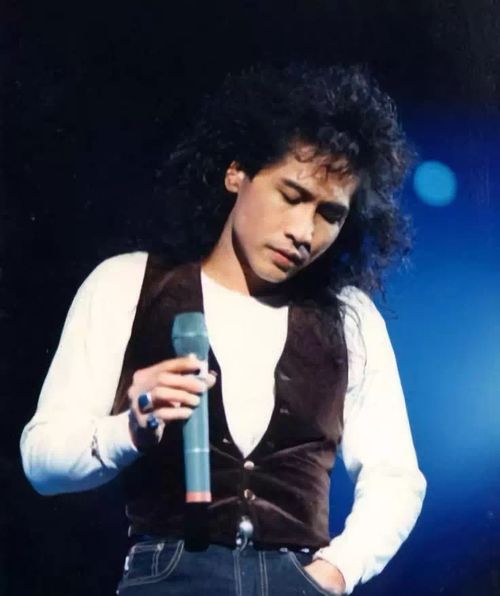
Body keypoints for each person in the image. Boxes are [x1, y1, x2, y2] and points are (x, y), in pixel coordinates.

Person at [20, 63, 426, 595]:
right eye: (291, 195)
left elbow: (396, 477)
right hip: (171, 574)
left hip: (299, 578)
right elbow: (41, 460)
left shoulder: (349, 318)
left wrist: (335, 572)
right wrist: (129, 431)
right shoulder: (129, 284)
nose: (303, 232)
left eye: (329, 214)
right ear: (237, 172)